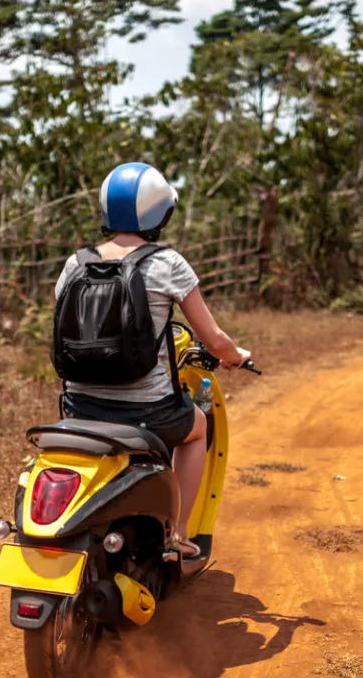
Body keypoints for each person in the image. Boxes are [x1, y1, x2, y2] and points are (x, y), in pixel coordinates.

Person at [54, 162, 250, 559]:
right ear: (160, 213)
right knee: (197, 428)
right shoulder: (167, 263)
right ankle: (175, 534)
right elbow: (213, 339)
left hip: (78, 407)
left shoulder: (76, 263)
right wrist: (236, 356)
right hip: (148, 411)